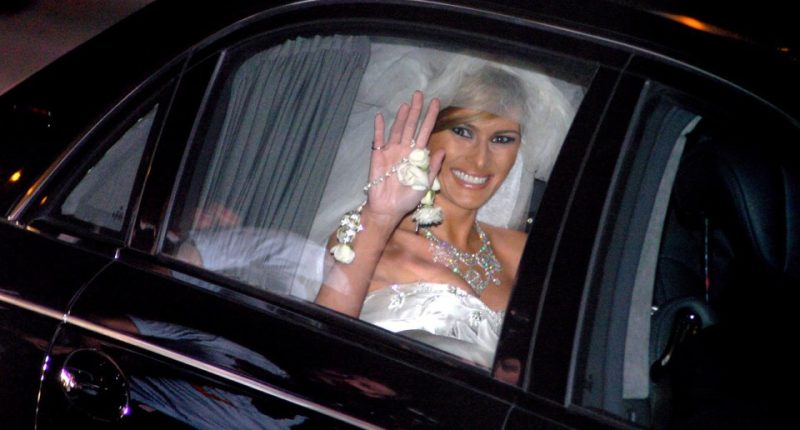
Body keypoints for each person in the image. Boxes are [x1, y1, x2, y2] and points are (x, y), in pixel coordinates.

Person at [316, 65, 531, 368]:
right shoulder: (369, 240)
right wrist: (380, 217)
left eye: (502, 139)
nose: (481, 159)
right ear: (424, 135)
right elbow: (320, 346)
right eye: (462, 131)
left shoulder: (522, 252)